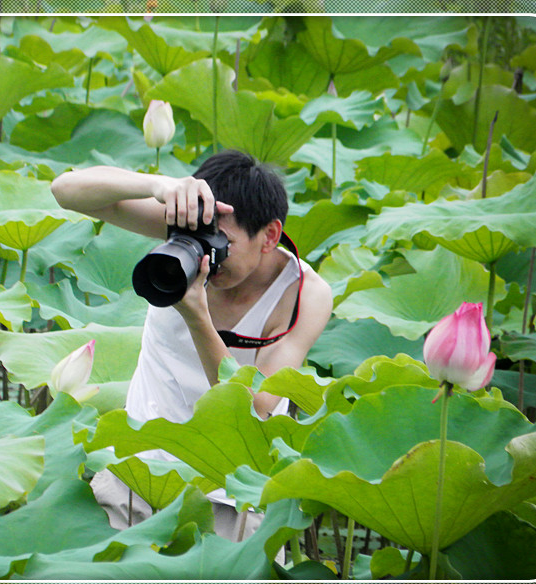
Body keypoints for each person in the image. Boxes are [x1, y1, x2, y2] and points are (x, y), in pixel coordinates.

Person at [50, 149, 332, 541]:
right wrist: (157, 185)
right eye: (199, 236)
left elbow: (257, 406)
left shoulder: (304, 294)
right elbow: (66, 190)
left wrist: (197, 317)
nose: (207, 256)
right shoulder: (184, 229)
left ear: (269, 235)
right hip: (137, 471)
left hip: (230, 495)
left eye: (223, 243)